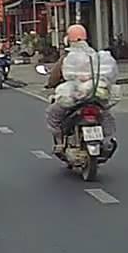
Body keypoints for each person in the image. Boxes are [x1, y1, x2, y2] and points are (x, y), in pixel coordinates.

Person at [44, 24, 117, 157]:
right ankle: (108, 140)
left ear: (68, 39)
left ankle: (59, 142)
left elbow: (55, 76)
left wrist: (50, 84)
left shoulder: (67, 57)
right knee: (106, 115)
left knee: (52, 114)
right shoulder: (94, 54)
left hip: (75, 98)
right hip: (95, 96)